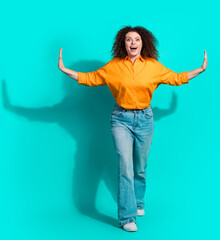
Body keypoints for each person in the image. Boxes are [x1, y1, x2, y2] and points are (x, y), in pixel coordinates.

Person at [58, 26, 207, 232]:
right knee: (125, 166)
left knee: (140, 167)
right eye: (128, 40)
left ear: (143, 42)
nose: (133, 43)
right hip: (121, 120)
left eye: (136, 39)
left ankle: (138, 203)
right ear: (123, 44)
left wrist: (198, 70)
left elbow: (175, 78)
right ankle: (127, 218)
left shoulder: (153, 66)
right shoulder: (114, 66)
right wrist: (67, 70)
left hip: (145, 119)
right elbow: (91, 78)